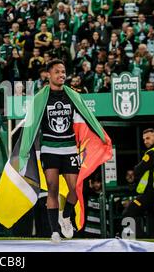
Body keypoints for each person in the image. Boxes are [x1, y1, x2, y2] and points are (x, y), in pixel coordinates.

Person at [40, 59, 110, 243]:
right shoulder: (41, 98)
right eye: (57, 72)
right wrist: (23, 152)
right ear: (49, 74)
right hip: (49, 148)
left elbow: (88, 115)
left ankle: (66, 216)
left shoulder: (72, 95)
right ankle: (54, 231)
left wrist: (102, 136)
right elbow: (31, 126)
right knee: (52, 189)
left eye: (63, 71)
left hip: (69, 148)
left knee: (76, 189)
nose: (62, 75)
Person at [122, 128, 154, 238]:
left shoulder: (153, 152)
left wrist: (135, 170)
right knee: (153, 220)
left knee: (129, 212)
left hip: (150, 193)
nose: (145, 141)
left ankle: (137, 240)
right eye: (144, 139)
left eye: (148, 138)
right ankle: (152, 243)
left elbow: (138, 169)